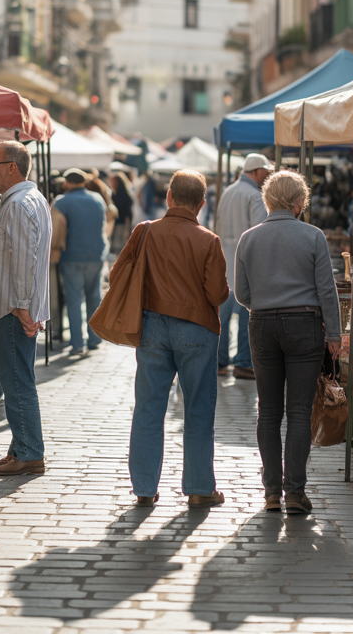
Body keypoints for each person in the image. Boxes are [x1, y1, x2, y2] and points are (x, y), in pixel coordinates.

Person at [119, 170, 229, 508]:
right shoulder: (208, 240)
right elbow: (217, 293)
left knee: (149, 407)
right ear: (201, 203)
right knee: (197, 408)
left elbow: (119, 272)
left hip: (152, 326)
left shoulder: (145, 231)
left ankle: (144, 487)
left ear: (168, 197)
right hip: (196, 328)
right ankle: (198, 487)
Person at [234, 170, 342, 516]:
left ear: (267, 200)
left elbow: (242, 294)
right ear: (299, 202)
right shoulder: (312, 236)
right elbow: (327, 289)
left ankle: (271, 492)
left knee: (267, 411)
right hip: (304, 324)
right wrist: (334, 334)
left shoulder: (248, 238)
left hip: (262, 324)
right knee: (298, 411)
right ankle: (294, 492)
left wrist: (266, 306)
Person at [0, 141, 52, 476]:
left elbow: (24, 260)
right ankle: (21, 448)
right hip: (13, 305)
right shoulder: (23, 200)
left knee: (17, 380)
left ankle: (30, 452)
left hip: (13, 307)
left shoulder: (21, 203)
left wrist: (22, 306)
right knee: (18, 378)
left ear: (12, 167)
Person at [215, 153, 272, 379]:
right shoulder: (255, 196)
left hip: (225, 264)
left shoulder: (227, 192)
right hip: (245, 267)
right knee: (247, 317)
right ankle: (243, 362)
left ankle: (220, 362)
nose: (266, 178)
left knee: (224, 317)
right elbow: (258, 233)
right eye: (265, 174)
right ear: (257, 172)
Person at [51, 168, 108, 356]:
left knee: (74, 300)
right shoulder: (97, 199)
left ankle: (77, 343)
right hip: (96, 255)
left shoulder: (62, 202)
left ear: (67, 183)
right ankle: (94, 339)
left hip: (71, 256)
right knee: (94, 297)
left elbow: (55, 231)